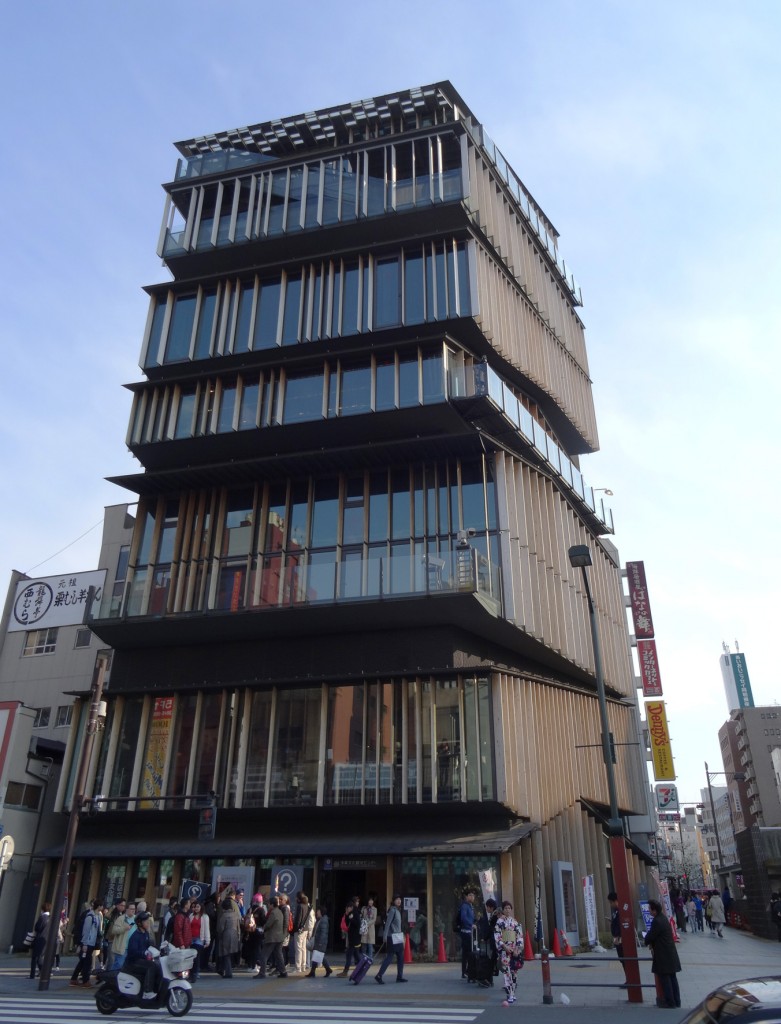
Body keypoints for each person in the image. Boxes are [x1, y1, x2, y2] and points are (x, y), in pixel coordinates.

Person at [644, 899, 681, 1009]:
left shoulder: (657, 921)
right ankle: (677, 1001)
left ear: (654, 910)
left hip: (663, 954)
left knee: (665, 978)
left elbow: (650, 936)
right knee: (672, 977)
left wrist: (646, 939)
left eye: (650, 909)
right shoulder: (663, 918)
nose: (648, 910)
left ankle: (670, 1002)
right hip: (670, 953)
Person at [125, 911, 161, 1000]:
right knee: (151, 966)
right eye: (146, 921)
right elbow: (133, 952)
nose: (148, 923)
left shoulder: (145, 933)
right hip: (133, 962)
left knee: (158, 965)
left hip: (142, 960)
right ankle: (147, 991)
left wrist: (160, 949)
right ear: (139, 923)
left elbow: (149, 946)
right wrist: (144, 953)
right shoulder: (135, 936)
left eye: (148, 921)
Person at [494, 899, 523, 1004]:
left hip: (514, 949)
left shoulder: (514, 922)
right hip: (504, 950)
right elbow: (497, 935)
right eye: (505, 908)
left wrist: (517, 949)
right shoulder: (499, 922)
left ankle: (513, 993)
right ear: (503, 910)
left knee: (514, 972)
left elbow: (519, 936)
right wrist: (504, 946)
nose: (507, 910)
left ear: (511, 910)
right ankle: (509, 993)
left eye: (509, 908)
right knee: (507, 972)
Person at [69, 899, 103, 987]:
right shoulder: (90, 916)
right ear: (99, 906)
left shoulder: (97, 916)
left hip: (92, 942)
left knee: (83, 961)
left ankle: (74, 978)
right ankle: (85, 980)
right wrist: (84, 944)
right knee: (87, 962)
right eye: (101, 906)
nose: (102, 908)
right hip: (87, 942)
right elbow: (86, 931)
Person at [374, 894, 406, 984]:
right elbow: (387, 924)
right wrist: (385, 936)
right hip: (392, 937)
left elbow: (398, 926)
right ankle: (379, 975)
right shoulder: (392, 910)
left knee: (401, 957)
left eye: (400, 899)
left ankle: (399, 977)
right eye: (397, 899)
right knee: (389, 957)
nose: (399, 901)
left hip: (398, 936)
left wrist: (402, 935)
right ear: (393, 901)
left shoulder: (398, 910)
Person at [255, 895, 286, 978]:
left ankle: (262, 973)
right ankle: (283, 971)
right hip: (279, 937)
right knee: (279, 955)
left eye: (269, 904)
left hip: (272, 937)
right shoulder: (279, 911)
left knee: (264, 955)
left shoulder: (273, 912)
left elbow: (268, 924)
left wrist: (263, 929)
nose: (268, 905)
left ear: (272, 904)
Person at [608, 891, 630, 987]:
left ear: (615, 901)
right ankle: (628, 979)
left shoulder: (621, 910)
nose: (611, 904)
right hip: (617, 938)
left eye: (611, 902)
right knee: (622, 959)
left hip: (620, 938)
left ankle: (629, 979)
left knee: (624, 959)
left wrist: (617, 936)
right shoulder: (616, 911)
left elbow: (621, 924)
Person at [215, 896, 241, 977]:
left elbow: (221, 928)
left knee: (225, 954)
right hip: (234, 935)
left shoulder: (224, 915)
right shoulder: (235, 915)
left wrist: (219, 934)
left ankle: (228, 972)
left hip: (226, 935)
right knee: (230, 954)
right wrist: (238, 936)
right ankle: (226, 970)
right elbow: (238, 926)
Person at [109, 901, 136, 971]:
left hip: (131, 947)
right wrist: (124, 928)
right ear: (127, 909)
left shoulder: (136, 919)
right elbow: (114, 930)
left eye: (134, 909)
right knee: (118, 965)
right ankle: (112, 976)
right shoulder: (121, 918)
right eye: (131, 909)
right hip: (122, 947)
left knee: (126, 967)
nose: (133, 911)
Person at [477, 897, 498, 986]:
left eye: (487, 907)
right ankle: (489, 979)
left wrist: (485, 937)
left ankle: (486, 978)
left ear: (491, 907)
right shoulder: (495, 914)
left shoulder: (495, 916)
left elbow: (491, 929)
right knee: (492, 961)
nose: (486, 909)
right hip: (496, 941)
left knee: (492, 961)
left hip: (496, 942)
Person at [308, 905, 333, 977]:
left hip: (320, 941)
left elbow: (323, 933)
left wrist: (320, 943)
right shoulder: (320, 919)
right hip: (318, 941)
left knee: (319, 955)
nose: (317, 912)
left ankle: (327, 969)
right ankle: (313, 971)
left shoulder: (323, 920)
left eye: (318, 911)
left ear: (321, 912)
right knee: (317, 956)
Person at [293, 892, 315, 974]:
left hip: (299, 930)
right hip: (305, 929)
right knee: (303, 948)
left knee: (298, 949)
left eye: (296, 897)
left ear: (299, 898)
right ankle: (303, 966)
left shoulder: (300, 906)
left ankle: (298, 967)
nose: (295, 899)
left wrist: (295, 928)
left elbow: (298, 919)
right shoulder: (307, 906)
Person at [189, 900, 210, 980]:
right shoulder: (191, 916)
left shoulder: (205, 917)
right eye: (195, 907)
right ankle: (191, 972)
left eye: (198, 907)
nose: (196, 908)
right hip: (191, 938)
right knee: (191, 956)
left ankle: (195, 972)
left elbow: (207, 929)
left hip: (199, 939)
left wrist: (207, 940)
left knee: (196, 956)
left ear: (201, 908)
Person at [29, 902, 50, 979]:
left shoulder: (42, 917)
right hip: (46, 939)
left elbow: (37, 928)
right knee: (39, 957)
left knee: (35, 957)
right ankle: (44, 973)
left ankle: (34, 974)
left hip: (39, 938)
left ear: (42, 909)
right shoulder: (51, 918)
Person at [458, 890, 476, 980]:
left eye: (473, 895)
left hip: (470, 932)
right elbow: (463, 918)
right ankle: (466, 972)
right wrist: (471, 924)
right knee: (467, 952)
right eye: (470, 895)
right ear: (466, 896)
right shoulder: (465, 906)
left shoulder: (470, 906)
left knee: (468, 952)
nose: (472, 897)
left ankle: (467, 971)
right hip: (465, 932)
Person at [361, 895, 377, 959]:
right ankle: (363, 959)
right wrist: (363, 923)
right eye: (369, 900)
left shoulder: (375, 909)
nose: (371, 902)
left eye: (372, 900)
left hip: (371, 928)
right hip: (364, 929)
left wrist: (367, 924)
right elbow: (361, 916)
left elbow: (374, 919)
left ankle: (370, 959)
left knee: (370, 945)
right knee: (364, 944)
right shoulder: (364, 908)